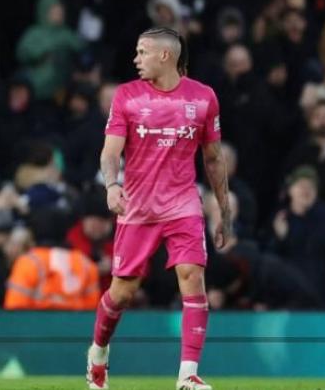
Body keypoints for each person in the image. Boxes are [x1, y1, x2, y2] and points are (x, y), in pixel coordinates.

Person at [86, 27, 231, 390]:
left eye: (142, 52)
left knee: (191, 276)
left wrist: (223, 210)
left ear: (165, 56)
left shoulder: (203, 98)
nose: (135, 59)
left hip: (183, 204)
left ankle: (187, 376)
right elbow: (110, 152)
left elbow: (213, 158)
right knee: (123, 292)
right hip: (138, 207)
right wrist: (112, 184)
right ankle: (98, 354)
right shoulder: (127, 97)